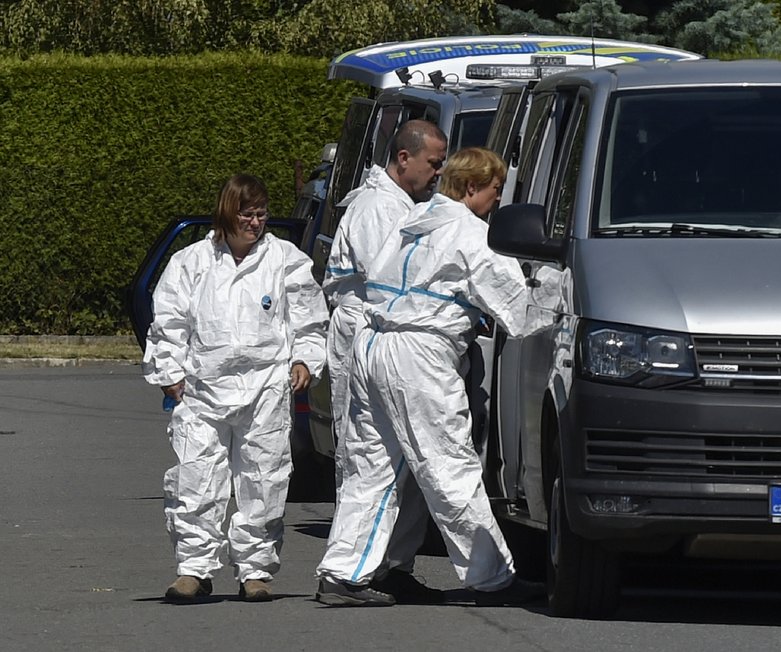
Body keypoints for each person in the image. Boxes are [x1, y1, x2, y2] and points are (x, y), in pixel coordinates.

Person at [314, 147, 545, 607]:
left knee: (373, 466)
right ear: (474, 187)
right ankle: (491, 577)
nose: (498, 202)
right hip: (419, 354)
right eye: (496, 191)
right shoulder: (473, 235)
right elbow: (521, 312)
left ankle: (347, 571)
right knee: (448, 465)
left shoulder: (411, 222)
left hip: (373, 343)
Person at [143, 173, 329, 603]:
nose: (256, 222)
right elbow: (169, 321)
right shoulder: (192, 262)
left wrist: (303, 358)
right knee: (196, 479)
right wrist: (170, 372)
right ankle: (193, 569)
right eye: (247, 213)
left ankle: (255, 569)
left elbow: (308, 316)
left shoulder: (285, 259)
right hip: (203, 387)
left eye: (262, 214)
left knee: (264, 477)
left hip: (265, 385)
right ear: (228, 212)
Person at [322, 119, 448, 603]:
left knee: (408, 462)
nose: (438, 172)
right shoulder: (378, 208)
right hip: (368, 336)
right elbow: (389, 281)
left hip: (392, 336)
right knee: (370, 460)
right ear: (403, 158)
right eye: (433, 163)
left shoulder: (402, 205)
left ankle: (393, 564)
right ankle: (352, 568)